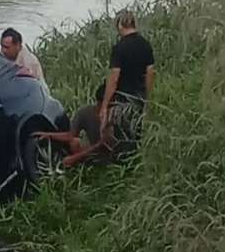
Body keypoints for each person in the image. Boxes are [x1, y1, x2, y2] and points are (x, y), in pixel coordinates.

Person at [35, 10, 155, 166]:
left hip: (122, 100)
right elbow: (150, 73)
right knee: (134, 135)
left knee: (119, 136)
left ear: (119, 24)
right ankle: (132, 166)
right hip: (138, 99)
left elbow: (114, 78)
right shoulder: (145, 44)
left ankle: (120, 168)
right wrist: (147, 98)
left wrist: (105, 105)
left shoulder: (120, 47)